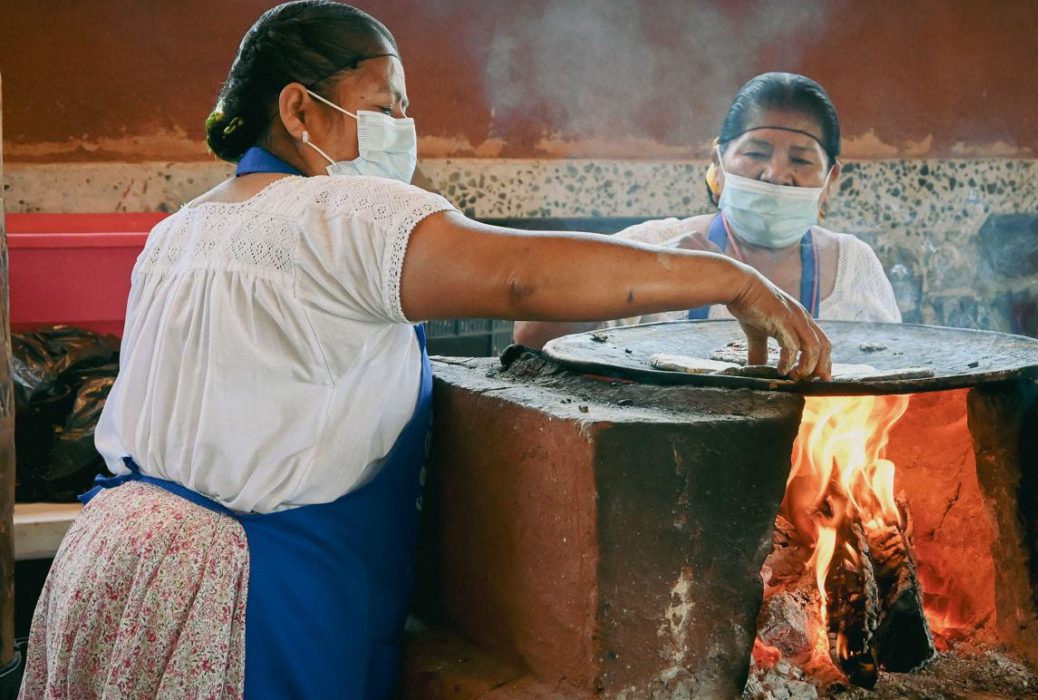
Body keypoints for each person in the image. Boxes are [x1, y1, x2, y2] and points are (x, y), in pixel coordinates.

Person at [18, 3, 831, 699]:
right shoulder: (340, 210)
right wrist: (729, 278)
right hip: (247, 601)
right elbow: (521, 279)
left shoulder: (182, 226)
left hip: (114, 568)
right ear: (299, 112)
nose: (404, 130)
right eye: (387, 104)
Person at [513, 72, 901, 350]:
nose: (776, 174)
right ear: (718, 162)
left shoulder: (853, 266)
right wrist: (648, 274)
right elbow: (531, 335)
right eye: (756, 153)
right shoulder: (654, 245)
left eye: (800, 160)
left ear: (831, 179)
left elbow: (889, 390)